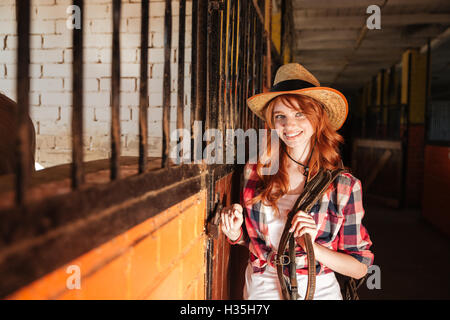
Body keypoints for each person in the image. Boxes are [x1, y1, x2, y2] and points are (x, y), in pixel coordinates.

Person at [220, 63, 374, 300]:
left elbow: (359, 267)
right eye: (280, 116)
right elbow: (253, 243)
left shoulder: (344, 185)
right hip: (262, 286)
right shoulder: (256, 170)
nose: (289, 125)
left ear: (317, 119)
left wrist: (313, 247)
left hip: (318, 289)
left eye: (299, 114)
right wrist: (234, 233)